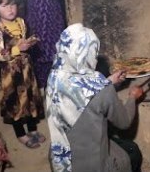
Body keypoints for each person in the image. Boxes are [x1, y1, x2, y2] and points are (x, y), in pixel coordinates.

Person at [46, 23, 143, 172]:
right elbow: (124, 122)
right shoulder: (102, 89)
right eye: (94, 52)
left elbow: (79, 90)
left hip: (61, 159)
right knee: (133, 152)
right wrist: (132, 97)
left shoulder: (54, 77)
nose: (96, 59)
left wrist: (108, 81)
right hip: (93, 167)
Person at [0, 0, 46, 149]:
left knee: (30, 98)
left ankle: (33, 129)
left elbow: (23, 41)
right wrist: (16, 50)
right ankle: (21, 134)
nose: (10, 9)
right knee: (15, 102)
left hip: (27, 68)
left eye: (13, 5)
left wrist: (30, 42)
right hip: (11, 72)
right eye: (5, 6)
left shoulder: (21, 22)